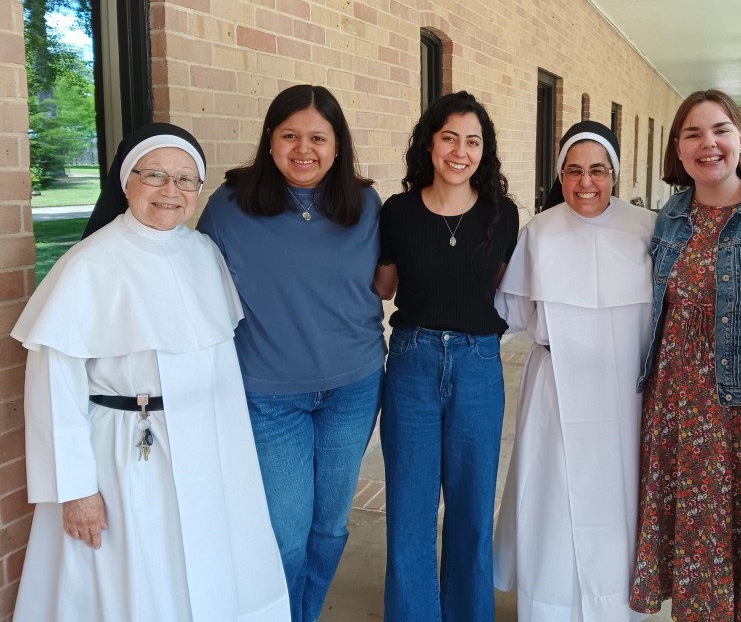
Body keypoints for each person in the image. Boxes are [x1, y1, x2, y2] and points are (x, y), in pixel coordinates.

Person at [12, 123, 289, 621]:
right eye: (155, 175)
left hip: (208, 449)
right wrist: (76, 490)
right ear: (127, 182)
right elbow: (54, 386)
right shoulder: (88, 264)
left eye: (186, 179)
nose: (171, 190)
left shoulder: (204, 253)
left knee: (211, 572)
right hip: (126, 455)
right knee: (140, 582)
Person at [197, 86, 385, 622]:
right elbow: (196, 288)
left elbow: (390, 279)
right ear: (270, 140)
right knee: (284, 533)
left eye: (318, 138)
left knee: (330, 526)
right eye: (290, 136)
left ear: (337, 144)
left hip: (353, 388)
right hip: (269, 396)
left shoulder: (364, 205)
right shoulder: (229, 206)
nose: (304, 149)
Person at [629, 90, 741, 622]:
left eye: (720, 130)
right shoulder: (671, 216)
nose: (707, 144)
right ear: (678, 149)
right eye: (692, 134)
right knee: (694, 536)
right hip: (675, 401)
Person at [493, 120, 655, 621]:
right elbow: (515, 312)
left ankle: (614, 608)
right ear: (560, 175)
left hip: (626, 395)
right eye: (574, 171)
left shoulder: (646, 229)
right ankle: (552, 608)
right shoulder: (539, 232)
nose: (586, 182)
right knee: (554, 500)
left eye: (598, 170)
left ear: (615, 174)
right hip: (556, 388)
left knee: (617, 498)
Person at [374, 91, 519, 622]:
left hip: (478, 364)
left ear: (485, 150)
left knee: (473, 508)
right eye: (450, 138)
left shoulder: (503, 215)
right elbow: (385, 287)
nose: (460, 152)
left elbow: (499, 288)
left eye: (472, 142)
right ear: (430, 144)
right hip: (412, 361)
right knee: (409, 508)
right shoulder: (398, 211)